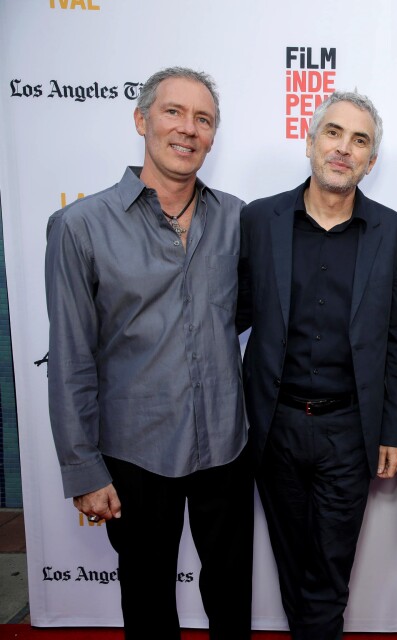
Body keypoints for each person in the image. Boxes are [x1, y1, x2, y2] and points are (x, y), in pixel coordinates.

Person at [45, 66, 252, 639]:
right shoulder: (79, 226)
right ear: (141, 120)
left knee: (232, 600)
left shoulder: (239, 218)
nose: (188, 129)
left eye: (203, 119)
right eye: (174, 112)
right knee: (148, 603)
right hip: (136, 453)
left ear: (214, 135)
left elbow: (254, 309)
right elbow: (71, 358)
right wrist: (83, 468)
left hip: (226, 449)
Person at [236, 91, 397, 640]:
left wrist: (392, 429)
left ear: (371, 161)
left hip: (348, 430)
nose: (344, 148)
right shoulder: (258, 219)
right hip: (273, 426)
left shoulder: (392, 231)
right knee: (292, 565)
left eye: (359, 140)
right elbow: (230, 315)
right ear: (310, 143)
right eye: (333, 133)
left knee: (330, 571)